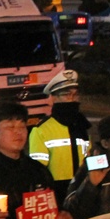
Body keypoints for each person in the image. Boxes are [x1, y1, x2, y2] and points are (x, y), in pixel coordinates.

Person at [28, 69, 91, 197]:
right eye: (67, 95)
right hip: (56, 193)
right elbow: (37, 172)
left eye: (75, 95)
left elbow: (88, 159)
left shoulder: (81, 126)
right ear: (53, 98)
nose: (72, 99)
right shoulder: (41, 130)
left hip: (83, 190)